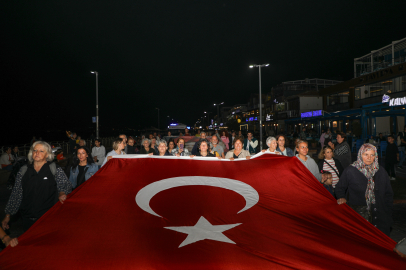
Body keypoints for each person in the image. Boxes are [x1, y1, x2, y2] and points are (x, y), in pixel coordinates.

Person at [2, 141, 72, 231]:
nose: (37, 153)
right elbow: (16, 193)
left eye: (41, 151)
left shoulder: (54, 169)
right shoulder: (23, 170)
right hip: (27, 218)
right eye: (35, 150)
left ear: (47, 155)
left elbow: (66, 185)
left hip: (48, 217)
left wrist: (62, 192)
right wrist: (8, 215)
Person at [336, 143, 393, 236]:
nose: (369, 158)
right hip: (360, 217)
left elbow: (388, 194)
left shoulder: (381, 171)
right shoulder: (350, 171)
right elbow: (339, 187)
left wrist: (388, 215)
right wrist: (341, 197)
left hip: (380, 218)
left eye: (372, 155)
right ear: (360, 154)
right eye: (366, 154)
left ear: (375, 156)